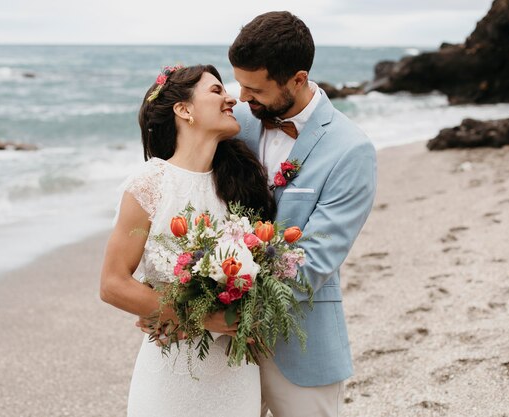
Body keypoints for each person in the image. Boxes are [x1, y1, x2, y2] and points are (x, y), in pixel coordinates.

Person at [100, 64, 275, 417]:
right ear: (184, 110)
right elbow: (112, 284)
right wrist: (204, 318)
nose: (231, 98)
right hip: (172, 371)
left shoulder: (241, 185)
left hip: (236, 372)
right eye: (216, 91)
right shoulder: (151, 182)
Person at [228, 11, 377, 417]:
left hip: (301, 339)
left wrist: (226, 310)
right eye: (239, 84)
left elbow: (314, 260)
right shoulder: (236, 121)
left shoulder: (350, 150)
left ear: (297, 78)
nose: (242, 98)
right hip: (221, 348)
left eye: (254, 88)